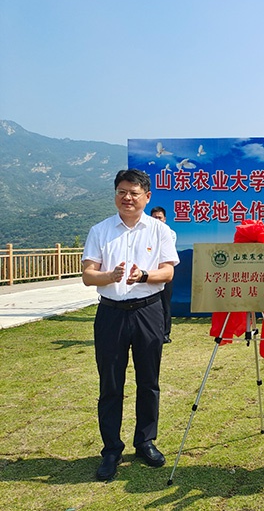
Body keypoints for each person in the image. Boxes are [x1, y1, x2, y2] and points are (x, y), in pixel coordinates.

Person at [82, 169, 179, 481]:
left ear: (146, 197)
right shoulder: (100, 231)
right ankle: (111, 449)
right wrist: (110, 276)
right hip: (111, 313)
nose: (127, 198)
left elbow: (168, 273)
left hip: (148, 311)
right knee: (110, 383)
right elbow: (88, 275)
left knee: (149, 380)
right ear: (115, 195)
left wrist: (145, 276)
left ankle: (145, 441)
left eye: (134, 193)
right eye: (122, 191)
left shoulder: (159, 231)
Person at [150, 206, 177, 344]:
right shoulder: (145, 234)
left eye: (160, 218)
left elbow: (162, 253)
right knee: (151, 305)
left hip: (165, 274)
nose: (157, 220)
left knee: (165, 304)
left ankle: (165, 334)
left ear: (165, 219)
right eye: (154, 218)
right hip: (149, 275)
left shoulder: (170, 233)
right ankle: (152, 333)